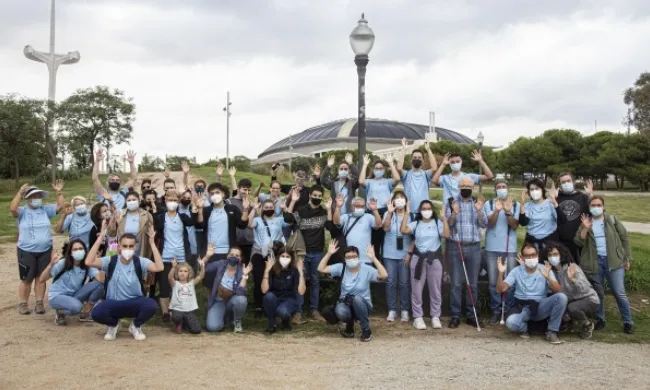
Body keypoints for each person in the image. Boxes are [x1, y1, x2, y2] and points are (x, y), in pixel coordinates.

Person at [87, 224, 164, 341]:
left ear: (135, 247)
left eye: (131, 246)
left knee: (151, 305)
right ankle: (113, 325)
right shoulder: (110, 261)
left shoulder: (140, 261)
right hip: (114, 302)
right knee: (96, 313)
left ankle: (135, 326)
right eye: (125, 246)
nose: (128, 249)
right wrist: (100, 239)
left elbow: (159, 267)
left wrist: (152, 243)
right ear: (119, 247)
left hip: (134, 302)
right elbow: (89, 262)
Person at [574, 196, 634, 334]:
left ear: (603, 207)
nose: (596, 207)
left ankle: (627, 321)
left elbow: (624, 238)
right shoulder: (585, 222)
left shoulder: (612, 220)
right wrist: (585, 229)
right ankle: (600, 319)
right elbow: (578, 242)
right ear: (589, 208)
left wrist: (627, 258)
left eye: (598, 205)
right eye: (593, 205)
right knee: (598, 293)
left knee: (619, 292)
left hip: (615, 262)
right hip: (595, 262)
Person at [11, 182, 65, 315]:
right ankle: (23, 303)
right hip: (26, 250)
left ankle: (39, 303)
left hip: (45, 250)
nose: (37, 198)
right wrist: (19, 192)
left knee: (41, 278)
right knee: (27, 278)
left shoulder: (45, 210)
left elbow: (60, 207)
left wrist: (58, 192)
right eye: (33, 196)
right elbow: (13, 209)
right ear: (27, 198)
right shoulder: (23, 211)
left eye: (38, 195)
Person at [317, 241, 388, 342]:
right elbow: (321, 268)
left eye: (354, 256)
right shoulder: (341, 267)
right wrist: (329, 253)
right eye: (348, 257)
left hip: (363, 305)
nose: (351, 259)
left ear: (358, 257)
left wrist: (373, 258)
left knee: (357, 299)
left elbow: (384, 275)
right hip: (346, 304)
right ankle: (349, 327)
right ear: (345, 259)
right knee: (340, 310)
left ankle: (366, 330)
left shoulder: (366, 269)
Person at [497, 242, 567, 344]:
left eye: (533, 255)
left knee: (562, 297)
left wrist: (548, 277)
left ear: (537, 255)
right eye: (527, 256)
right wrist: (501, 273)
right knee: (510, 323)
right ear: (523, 257)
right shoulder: (516, 271)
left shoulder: (545, 268)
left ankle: (552, 331)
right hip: (522, 307)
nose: (531, 257)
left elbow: (559, 291)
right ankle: (527, 328)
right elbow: (501, 289)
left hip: (540, 306)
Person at [284, 185, 334, 323]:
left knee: (315, 281)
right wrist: (293, 201)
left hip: (317, 252)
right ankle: (298, 312)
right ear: (310, 195)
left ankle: (314, 310)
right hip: (302, 252)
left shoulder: (323, 212)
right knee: (300, 280)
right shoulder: (301, 211)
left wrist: (329, 209)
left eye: (319, 196)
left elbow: (330, 226)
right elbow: (288, 218)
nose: (317, 198)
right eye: (315, 195)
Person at [401, 199, 450, 330]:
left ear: (432, 210)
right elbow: (404, 230)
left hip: (434, 259)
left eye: (429, 208)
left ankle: (435, 316)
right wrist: (407, 213)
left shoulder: (437, 223)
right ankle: (417, 317)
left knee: (435, 290)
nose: (426, 211)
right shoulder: (416, 223)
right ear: (420, 211)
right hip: (418, 259)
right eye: (424, 208)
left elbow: (446, 234)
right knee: (416, 290)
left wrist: (444, 218)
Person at [445, 176, 487, 328]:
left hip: (474, 247)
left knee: (472, 284)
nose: (466, 188)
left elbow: (484, 224)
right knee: (456, 283)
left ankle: (471, 315)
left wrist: (479, 211)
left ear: (473, 187)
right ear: (458, 186)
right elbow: (448, 225)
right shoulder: (451, 202)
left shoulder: (477, 203)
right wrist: (454, 213)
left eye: (469, 186)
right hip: (455, 246)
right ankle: (455, 315)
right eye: (463, 185)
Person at [152, 189, 197, 323]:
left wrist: (194, 207)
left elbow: (191, 222)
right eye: (170, 200)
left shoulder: (182, 217)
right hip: (165, 257)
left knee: (182, 287)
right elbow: (157, 226)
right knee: (164, 287)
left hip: (182, 258)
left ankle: (182, 312)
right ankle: (166, 314)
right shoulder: (161, 216)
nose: (172, 203)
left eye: (175, 200)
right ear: (165, 201)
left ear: (178, 202)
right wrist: (154, 211)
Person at [194, 182, 248, 290]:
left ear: (223, 194)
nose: (215, 195)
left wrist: (246, 210)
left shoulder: (232, 209)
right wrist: (199, 209)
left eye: (217, 192)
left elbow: (242, 224)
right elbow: (200, 225)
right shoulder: (206, 210)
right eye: (212, 193)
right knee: (210, 282)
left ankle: (226, 303)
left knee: (227, 282)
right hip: (210, 253)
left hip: (228, 253)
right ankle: (212, 303)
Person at [40, 240, 105, 325]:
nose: (78, 251)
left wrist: (97, 263)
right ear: (70, 252)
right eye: (75, 249)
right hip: (57, 296)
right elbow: (42, 279)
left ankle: (85, 313)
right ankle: (60, 312)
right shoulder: (63, 263)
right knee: (77, 307)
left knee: (99, 286)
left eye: (81, 249)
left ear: (85, 251)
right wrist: (51, 264)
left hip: (74, 295)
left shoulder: (86, 265)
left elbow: (101, 280)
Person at [483, 179, 520, 325]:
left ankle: (508, 309)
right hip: (492, 248)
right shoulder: (489, 204)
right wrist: (497, 211)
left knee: (509, 280)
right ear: (495, 190)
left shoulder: (515, 204)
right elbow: (490, 224)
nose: (501, 189)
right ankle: (496, 310)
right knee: (493, 281)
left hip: (509, 248)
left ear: (508, 189)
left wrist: (508, 212)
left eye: (504, 187)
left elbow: (515, 225)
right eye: (498, 187)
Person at [546, 242, 599, 339]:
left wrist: (573, 280)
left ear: (561, 255)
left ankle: (587, 324)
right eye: (550, 255)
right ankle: (570, 322)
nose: (552, 257)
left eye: (555, 254)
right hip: (572, 300)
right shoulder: (552, 272)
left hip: (588, 299)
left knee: (572, 308)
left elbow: (585, 288)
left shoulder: (572, 267)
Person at [248, 198, 289, 315]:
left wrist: (285, 208)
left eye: (271, 207)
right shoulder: (257, 220)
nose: (269, 209)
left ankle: (271, 304)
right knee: (258, 279)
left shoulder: (279, 219)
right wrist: (253, 210)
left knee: (274, 278)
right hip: (259, 253)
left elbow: (290, 220)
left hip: (274, 254)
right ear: (262, 209)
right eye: (266, 207)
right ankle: (258, 306)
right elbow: (249, 224)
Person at [359, 154, 401, 260]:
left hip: (385, 212)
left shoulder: (387, 181)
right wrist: (364, 165)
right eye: (376, 168)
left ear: (384, 170)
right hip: (371, 213)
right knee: (374, 241)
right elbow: (361, 181)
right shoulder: (369, 182)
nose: (378, 170)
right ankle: (374, 265)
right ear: (373, 170)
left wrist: (391, 163)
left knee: (385, 240)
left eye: (381, 168)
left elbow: (397, 178)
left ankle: (384, 264)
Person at [204, 245, 253, 333]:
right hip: (218, 300)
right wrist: (207, 256)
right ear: (227, 256)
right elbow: (204, 268)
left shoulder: (242, 270)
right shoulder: (221, 263)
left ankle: (237, 321)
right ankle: (226, 317)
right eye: (231, 254)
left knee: (241, 300)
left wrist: (244, 276)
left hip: (232, 300)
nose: (233, 257)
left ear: (240, 259)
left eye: (237, 256)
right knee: (213, 327)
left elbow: (240, 292)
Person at [382, 191, 412, 323]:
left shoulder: (411, 216)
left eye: (402, 198)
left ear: (406, 201)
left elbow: (414, 237)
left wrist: (409, 254)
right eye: (397, 198)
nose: (399, 200)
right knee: (391, 282)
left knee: (404, 283)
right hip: (389, 254)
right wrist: (389, 212)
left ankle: (405, 310)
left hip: (404, 255)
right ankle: (392, 310)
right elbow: (386, 228)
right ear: (393, 201)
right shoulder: (388, 214)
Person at [261, 248, 306, 333]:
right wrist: (266, 271)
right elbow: (264, 290)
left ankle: (286, 321)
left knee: (282, 311)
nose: (284, 258)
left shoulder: (295, 270)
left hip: (289, 299)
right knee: (268, 296)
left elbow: (301, 291)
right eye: (283, 256)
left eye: (287, 256)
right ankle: (272, 324)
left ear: (291, 258)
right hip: (275, 298)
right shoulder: (273, 269)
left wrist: (301, 272)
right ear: (278, 257)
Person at [518, 178, 563, 256]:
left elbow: (562, 220)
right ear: (528, 192)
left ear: (542, 189)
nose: (534, 191)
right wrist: (522, 204)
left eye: (537, 188)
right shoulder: (527, 206)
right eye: (532, 189)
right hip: (532, 242)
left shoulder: (550, 203)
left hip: (550, 241)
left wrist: (555, 203)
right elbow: (523, 223)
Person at [333, 195, 382, 265]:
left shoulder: (368, 217)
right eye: (357, 206)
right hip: (349, 257)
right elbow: (336, 222)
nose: (360, 208)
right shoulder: (346, 217)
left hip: (366, 258)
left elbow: (379, 225)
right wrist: (338, 207)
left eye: (362, 206)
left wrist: (375, 210)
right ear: (352, 206)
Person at [556, 173, 593, 262]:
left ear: (573, 182)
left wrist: (590, 195)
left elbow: (593, 213)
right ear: (560, 185)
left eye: (568, 181)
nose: (566, 183)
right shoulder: (557, 198)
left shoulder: (583, 197)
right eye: (563, 182)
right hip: (561, 241)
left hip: (578, 241)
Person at [108, 191, 153, 258]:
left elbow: (151, 234)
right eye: (129, 200)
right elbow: (111, 233)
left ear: (139, 201)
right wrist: (114, 222)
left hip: (140, 251)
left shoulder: (147, 215)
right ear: (126, 202)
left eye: (134, 200)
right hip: (122, 250)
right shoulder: (120, 214)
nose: (131, 202)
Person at [168, 256, 205, 334]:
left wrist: (202, 266)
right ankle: (178, 323)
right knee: (177, 317)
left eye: (185, 271)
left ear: (189, 273)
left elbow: (201, 276)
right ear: (177, 273)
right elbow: (170, 277)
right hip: (177, 309)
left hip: (189, 310)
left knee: (196, 330)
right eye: (180, 271)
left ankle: (185, 324)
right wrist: (174, 267)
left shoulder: (191, 283)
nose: (183, 273)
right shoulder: (175, 284)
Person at [397, 140, 438, 208]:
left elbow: (434, 168)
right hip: (409, 211)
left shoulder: (426, 174)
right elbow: (399, 168)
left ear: (423, 161)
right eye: (415, 158)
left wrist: (428, 150)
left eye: (419, 158)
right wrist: (404, 149)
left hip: (423, 210)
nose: (417, 159)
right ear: (411, 160)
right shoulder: (406, 175)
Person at [227, 178, 255, 264]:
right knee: (233, 265)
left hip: (248, 241)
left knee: (244, 266)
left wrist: (254, 208)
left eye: (249, 190)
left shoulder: (251, 203)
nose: (247, 192)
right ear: (238, 189)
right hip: (235, 240)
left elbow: (251, 222)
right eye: (244, 189)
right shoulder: (229, 202)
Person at [178, 190, 199, 271]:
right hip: (180, 242)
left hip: (192, 242)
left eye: (188, 198)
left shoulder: (193, 209)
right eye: (184, 197)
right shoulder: (175, 209)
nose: (186, 199)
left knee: (192, 268)